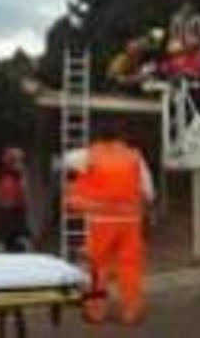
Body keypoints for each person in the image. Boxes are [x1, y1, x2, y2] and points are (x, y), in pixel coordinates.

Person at [64, 122, 155, 326]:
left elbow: (66, 161)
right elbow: (149, 192)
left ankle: (96, 312)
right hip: (129, 221)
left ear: (98, 138)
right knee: (130, 267)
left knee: (98, 266)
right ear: (120, 138)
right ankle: (131, 311)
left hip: (100, 221)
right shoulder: (134, 157)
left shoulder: (87, 155)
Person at [0, 147, 31, 253]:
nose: (23, 165)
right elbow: (8, 213)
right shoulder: (9, 182)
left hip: (13, 236)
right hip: (12, 238)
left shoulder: (15, 180)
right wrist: (21, 234)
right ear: (12, 164)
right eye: (20, 162)